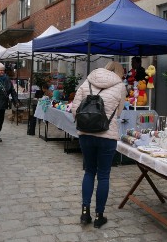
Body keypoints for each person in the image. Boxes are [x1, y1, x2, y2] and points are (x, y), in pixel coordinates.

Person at [71, 61, 126, 228]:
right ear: (118, 72)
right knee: (103, 176)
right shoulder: (120, 86)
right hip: (107, 136)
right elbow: (119, 112)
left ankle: (85, 214)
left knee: (89, 172)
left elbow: (75, 107)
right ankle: (98, 216)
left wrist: (86, 122)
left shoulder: (88, 81)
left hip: (86, 135)